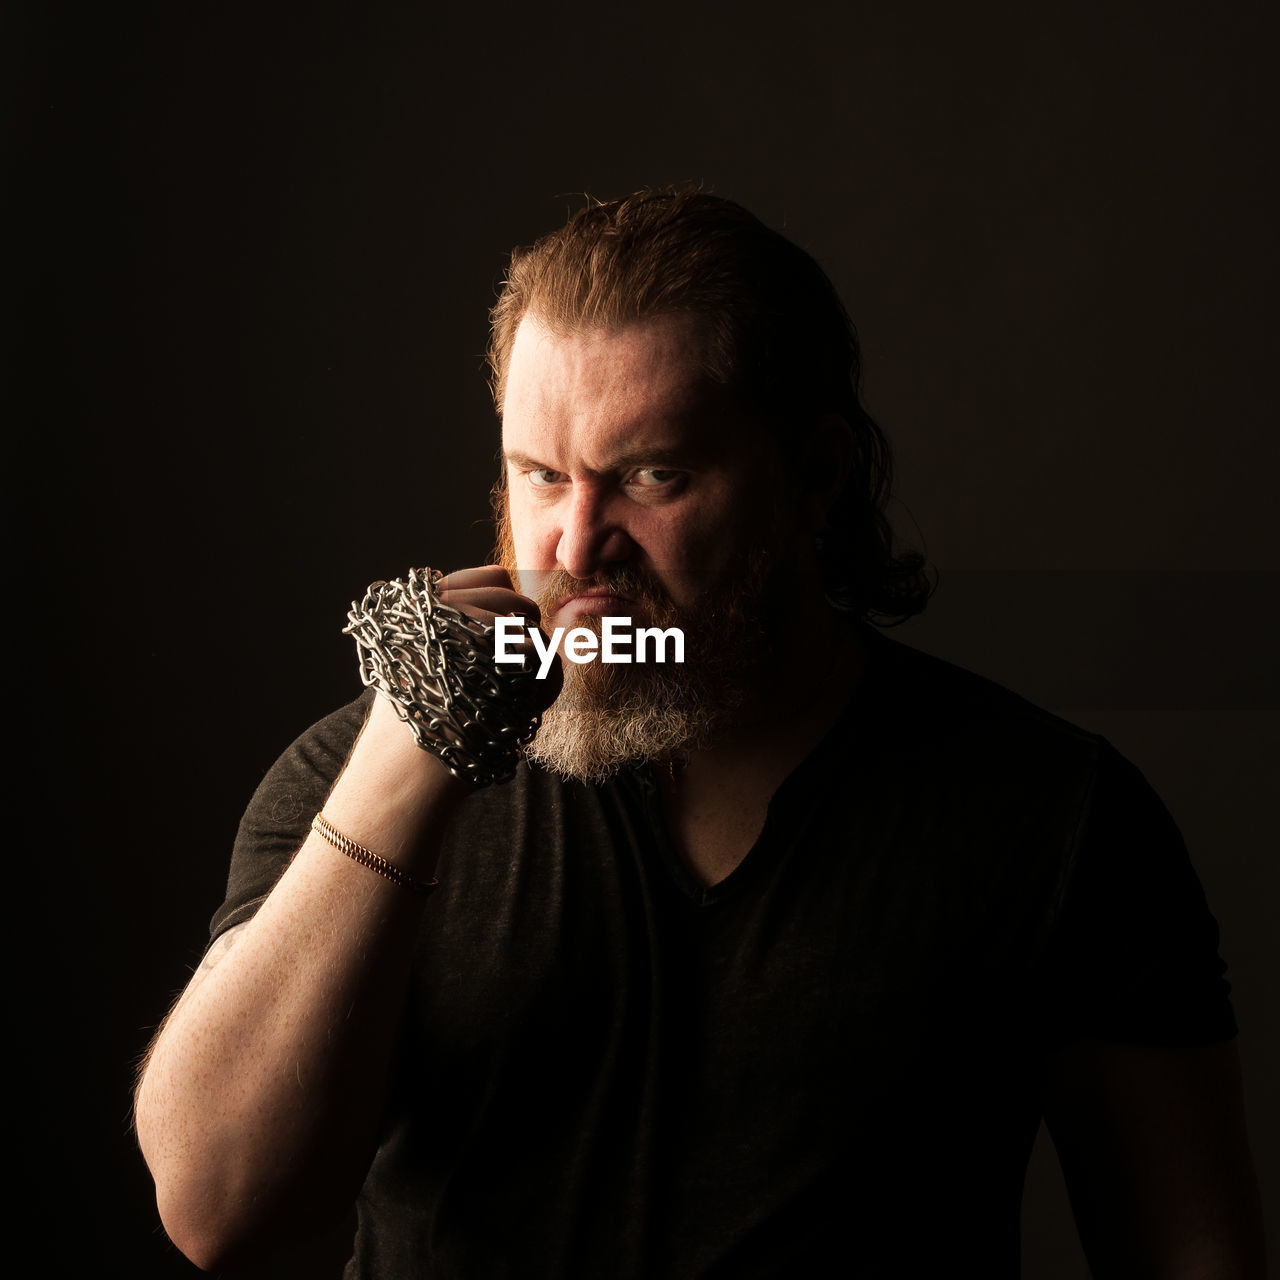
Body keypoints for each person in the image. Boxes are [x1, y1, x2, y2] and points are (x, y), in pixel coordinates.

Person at [135, 189, 1265, 1277]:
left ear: (813, 475)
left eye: (650, 475)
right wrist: (395, 777)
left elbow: (1191, 1251)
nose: (577, 546)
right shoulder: (359, 770)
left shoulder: (1051, 812)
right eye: (538, 475)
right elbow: (216, 1211)